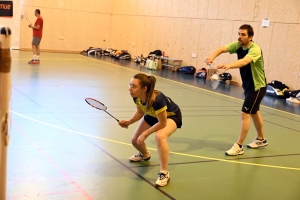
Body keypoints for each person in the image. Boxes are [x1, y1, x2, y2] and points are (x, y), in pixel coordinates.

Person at [205, 24, 267, 156]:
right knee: (254, 112)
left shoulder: (255, 49)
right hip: (248, 86)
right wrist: (212, 57)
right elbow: (222, 49)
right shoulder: (238, 45)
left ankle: (239, 146)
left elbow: (244, 62)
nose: (240, 37)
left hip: (257, 87)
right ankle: (261, 139)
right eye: (239, 34)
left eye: (243, 34)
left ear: (250, 37)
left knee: (245, 114)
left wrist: (228, 65)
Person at [119, 73, 182, 187]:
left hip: (170, 116)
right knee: (135, 141)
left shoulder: (157, 100)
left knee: (160, 137)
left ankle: (164, 173)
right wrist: (128, 122)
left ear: (144, 89)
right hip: (152, 115)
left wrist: (145, 133)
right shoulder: (136, 97)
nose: (130, 89)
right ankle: (145, 155)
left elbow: (162, 123)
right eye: (130, 85)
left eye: (134, 86)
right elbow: (140, 112)